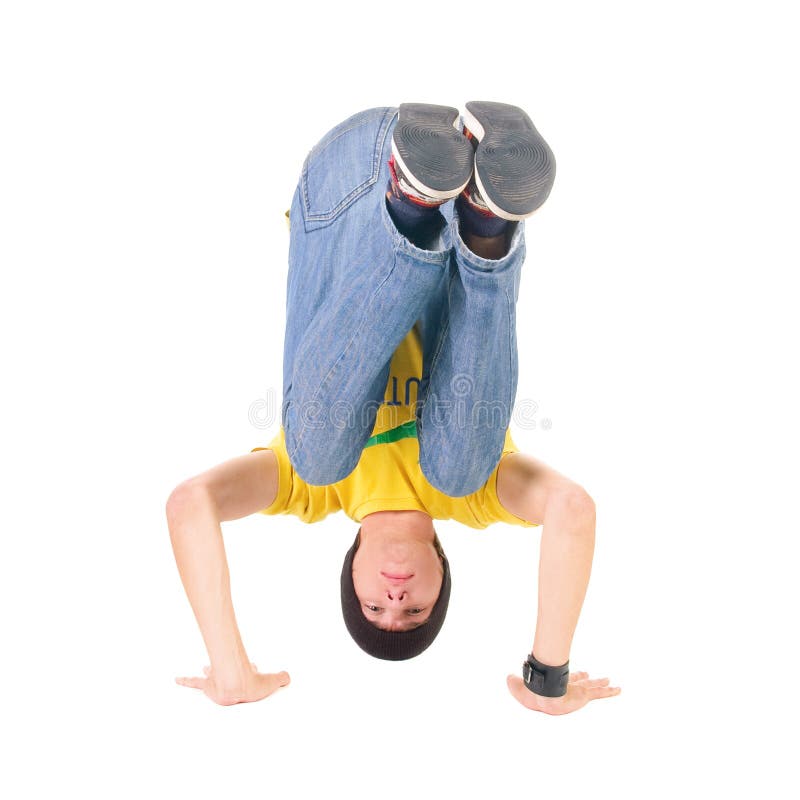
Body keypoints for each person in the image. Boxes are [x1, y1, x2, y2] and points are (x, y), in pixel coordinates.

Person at [167, 102, 621, 714]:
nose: (396, 595)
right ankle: (487, 218)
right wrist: (548, 677)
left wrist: (231, 670)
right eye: (416, 608)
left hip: (344, 192)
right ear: (443, 576)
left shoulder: (312, 492)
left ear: (350, 572)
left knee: (320, 457)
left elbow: (189, 504)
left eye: (376, 605)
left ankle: (409, 205)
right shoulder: (476, 496)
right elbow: (572, 508)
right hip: (460, 177)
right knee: (457, 468)